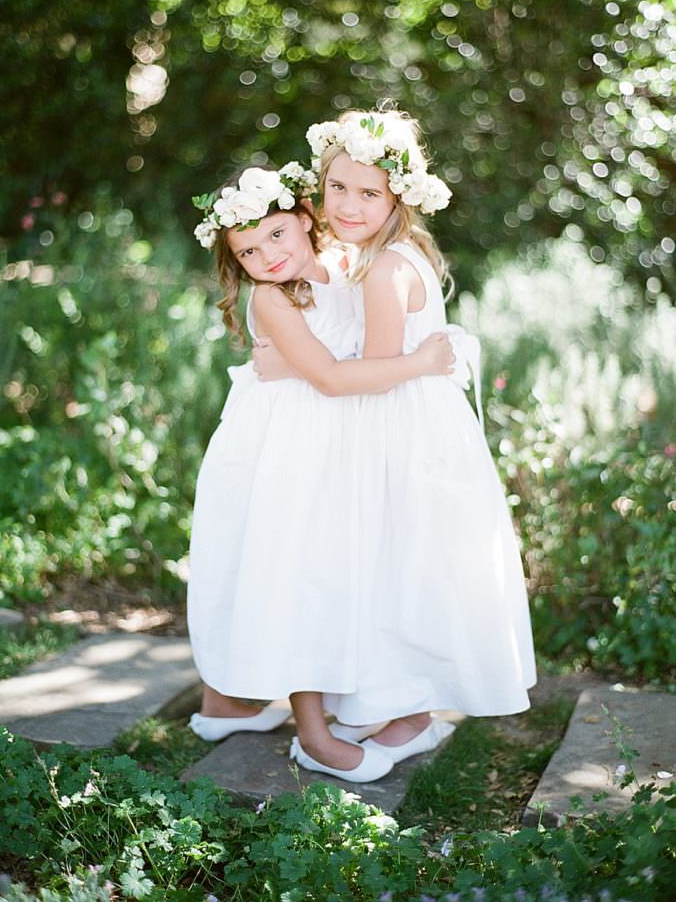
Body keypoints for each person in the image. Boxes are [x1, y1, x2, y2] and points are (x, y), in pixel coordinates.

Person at [254, 110, 537, 767]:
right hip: (417, 423)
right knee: (400, 568)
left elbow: (375, 373)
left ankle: (412, 711)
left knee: (401, 566)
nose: (349, 206)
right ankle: (398, 704)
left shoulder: (384, 272)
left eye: (369, 193)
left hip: (399, 431)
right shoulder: (380, 255)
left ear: (399, 196)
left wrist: (289, 365)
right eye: (338, 189)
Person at [187, 162, 454, 783]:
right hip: (282, 449)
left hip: (325, 445)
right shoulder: (271, 298)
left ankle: (242, 703)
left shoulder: (343, 265)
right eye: (248, 251)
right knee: (297, 573)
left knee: (326, 572)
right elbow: (333, 378)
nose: (268, 256)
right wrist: (422, 361)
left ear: (306, 220)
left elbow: (351, 342)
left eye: (277, 235)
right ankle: (311, 735)